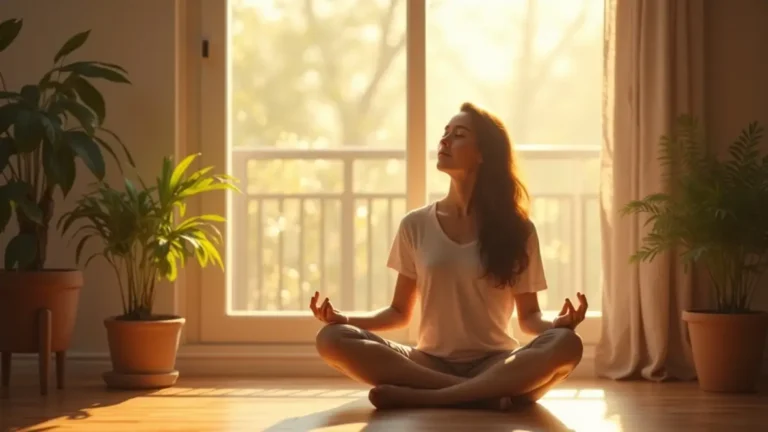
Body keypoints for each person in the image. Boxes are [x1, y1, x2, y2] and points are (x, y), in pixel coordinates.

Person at [309, 102, 587, 410]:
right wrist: (343, 319)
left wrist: (559, 325)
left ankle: (432, 397)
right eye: (445, 133)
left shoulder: (518, 230)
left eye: (458, 135)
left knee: (567, 344)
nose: (444, 141)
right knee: (331, 339)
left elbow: (529, 318)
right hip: (427, 363)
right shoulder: (415, 224)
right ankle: (482, 395)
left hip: (497, 363)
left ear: (482, 154)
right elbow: (399, 311)